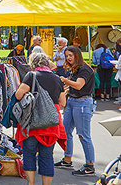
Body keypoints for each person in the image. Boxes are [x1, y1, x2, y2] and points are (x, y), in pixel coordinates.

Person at [13, 53, 67, 185]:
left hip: (32, 122)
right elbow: (62, 103)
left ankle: (31, 183)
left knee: (29, 154)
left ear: (33, 64)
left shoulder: (31, 76)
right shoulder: (56, 79)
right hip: (51, 123)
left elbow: (19, 95)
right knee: (47, 156)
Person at [57, 46, 96, 176]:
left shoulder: (84, 69)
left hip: (82, 103)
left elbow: (79, 85)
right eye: (67, 55)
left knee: (83, 135)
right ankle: (67, 159)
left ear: (77, 55)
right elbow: (73, 85)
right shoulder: (76, 69)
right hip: (72, 101)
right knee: (65, 131)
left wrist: (64, 80)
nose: (68, 58)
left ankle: (90, 165)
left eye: (70, 55)